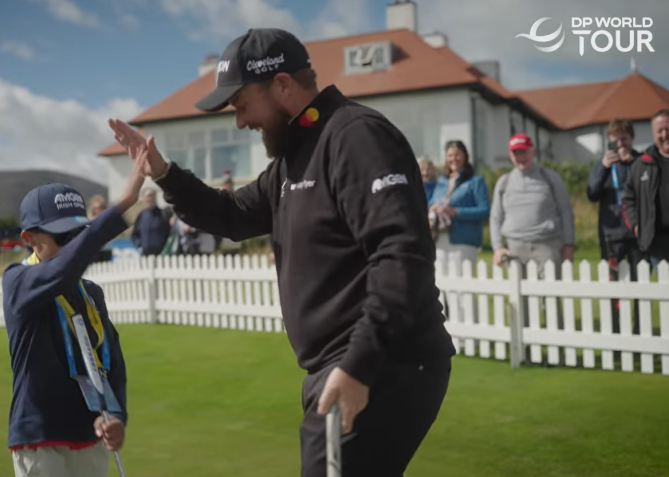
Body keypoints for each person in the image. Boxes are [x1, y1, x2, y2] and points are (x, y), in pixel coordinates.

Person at [108, 27, 455, 477]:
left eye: (241, 104)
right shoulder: (294, 157)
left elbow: (401, 254)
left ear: (283, 85)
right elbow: (230, 214)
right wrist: (162, 171)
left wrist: (359, 364)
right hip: (351, 365)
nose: (239, 121)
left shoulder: (354, 136)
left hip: (383, 364)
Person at [2, 147, 146, 476]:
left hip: (90, 436)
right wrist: (123, 205)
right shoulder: (17, 281)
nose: (74, 245)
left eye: (79, 234)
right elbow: (61, 272)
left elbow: (112, 364)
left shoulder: (91, 293)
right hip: (40, 439)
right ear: (29, 238)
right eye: (62, 236)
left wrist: (116, 415)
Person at [586, 119, 644, 333]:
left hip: (638, 234)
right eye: (615, 140)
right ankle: (615, 332)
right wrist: (603, 168)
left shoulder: (643, 161)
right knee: (613, 287)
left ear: (632, 139)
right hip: (611, 234)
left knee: (641, 286)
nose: (620, 144)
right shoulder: (601, 164)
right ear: (608, 141)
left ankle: (641, 330)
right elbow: (592, 193)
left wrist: (633, 166)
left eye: (624, 139)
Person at [491, 133, 575, 276]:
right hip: (515, 248)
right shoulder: (504, 182)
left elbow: (566, 211)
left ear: (533, 152)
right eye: (516, 153)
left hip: (547, 245)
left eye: (524, 152)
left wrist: (568, 244)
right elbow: (496, 217)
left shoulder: (550, 177)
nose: (520, 157)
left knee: (550, 296)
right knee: (520, 297)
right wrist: (498, 247)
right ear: (510, 156)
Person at [428, 140, 489, 276]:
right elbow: (432, 202)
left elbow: (484, 211)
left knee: (462, 286)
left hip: (463, 240)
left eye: (457, 155)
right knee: (442, 284)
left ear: (465, 157)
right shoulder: (441, 182)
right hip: (440, 239)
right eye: (450, 155)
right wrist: (432, 208)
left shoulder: (475, 181)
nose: (453, 159)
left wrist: (455, 212)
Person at [622, 109, 669, 268]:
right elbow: (628, 200)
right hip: (657, 244)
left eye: (668, 129)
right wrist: (636, 225)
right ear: (653, 133)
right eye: (659, 131)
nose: (665, 134)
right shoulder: (641, 164)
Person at [130, 189, 171, 256]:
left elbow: (169, 232)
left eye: (152, 197)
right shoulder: (141, 216)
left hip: (161, 254)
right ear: (144, 199)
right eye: (147, 197)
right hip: (145, 254)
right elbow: (134, 235)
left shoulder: (162, 214)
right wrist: (140, 245)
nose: (149, 199)